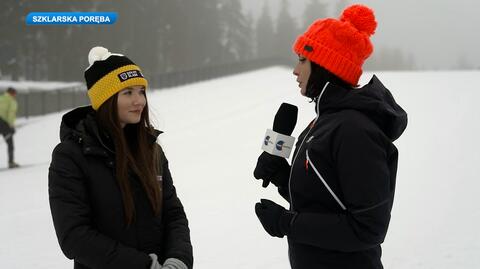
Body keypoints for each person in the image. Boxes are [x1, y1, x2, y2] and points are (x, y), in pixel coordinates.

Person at [253, 4, 408, 269]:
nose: (295, 70)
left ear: (326, 65)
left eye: (303, 60)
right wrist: (282, 176)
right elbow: (326, 200)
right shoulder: (324, 122)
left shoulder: (354, 130)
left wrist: (286, 223)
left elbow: (368, 229)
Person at [48, 47, 193, 269]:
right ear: (105, 99)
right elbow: (74, 236)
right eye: (127, 93)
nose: (139, 101)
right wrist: (143, 266)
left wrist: (178, 259)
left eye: (141, 91)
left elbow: (173, 214)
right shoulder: (70, 157)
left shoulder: (151, 150)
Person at [0, 87, 19, 168]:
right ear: (12, 93)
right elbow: (11, 114)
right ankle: (11, 162)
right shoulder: (11, 101)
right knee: (10, 143)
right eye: (15, 94)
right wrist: (11, 126)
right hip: (4, 124)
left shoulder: (1, 98)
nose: (15, 96)